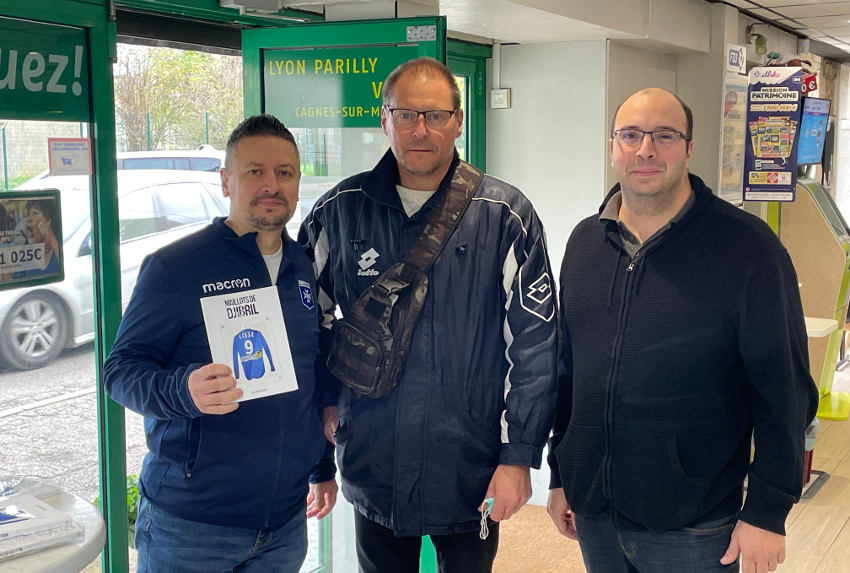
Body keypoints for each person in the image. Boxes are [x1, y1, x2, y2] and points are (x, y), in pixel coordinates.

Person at [299, 56, 557, 573]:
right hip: (373, 454)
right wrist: (327, 405)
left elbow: (536, 346)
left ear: (458, 121)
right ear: (384, 119)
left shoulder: (505, 215)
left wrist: (517, 456)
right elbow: (308, 323)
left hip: (469, 462)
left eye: (436, 115)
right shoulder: (339, 210)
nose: (422, 129)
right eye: (407, 115)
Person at [546, 87, 819, 573]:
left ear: (689, 148)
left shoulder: (748, 250)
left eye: (665, 136)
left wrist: (767, 511)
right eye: (630, 135)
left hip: (694, 523)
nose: (646, 149)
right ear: (613, 147)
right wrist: (560, 473)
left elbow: (786, 392)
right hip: (596, 516)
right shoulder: (586, 242)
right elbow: (569, 372)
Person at [104, 114, 337, 573]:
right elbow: (120, 372)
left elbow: (307, 376)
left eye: (284, 173)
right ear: (226, 180)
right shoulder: (176, 268)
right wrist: (182, 391)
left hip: (284, 525)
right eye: (255, 171)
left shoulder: (303, 267)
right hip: (190, 527)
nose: (271, 184)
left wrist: (321, 467)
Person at [12, 199, 60, 278]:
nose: (29, 219)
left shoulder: (58, 247)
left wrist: (51, 237)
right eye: (28, 214)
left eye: (35, 213)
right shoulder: (26, 252)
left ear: (48, 221)